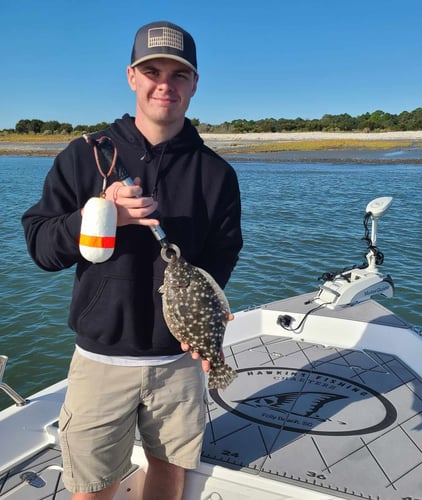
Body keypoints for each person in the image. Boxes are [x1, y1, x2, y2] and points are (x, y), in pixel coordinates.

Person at [22, 20, 243, 500]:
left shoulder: (217, 174)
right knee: (93, 486)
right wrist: (101, 216)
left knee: (169, 472)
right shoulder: (87, 156)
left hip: (178, 363)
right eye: (152, 71)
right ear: (131, 77)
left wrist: (203, 317)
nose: (165, 84)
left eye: (178, 74)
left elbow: (224, 251)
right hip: (101, 358)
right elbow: (40, 246)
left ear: (194, 84)